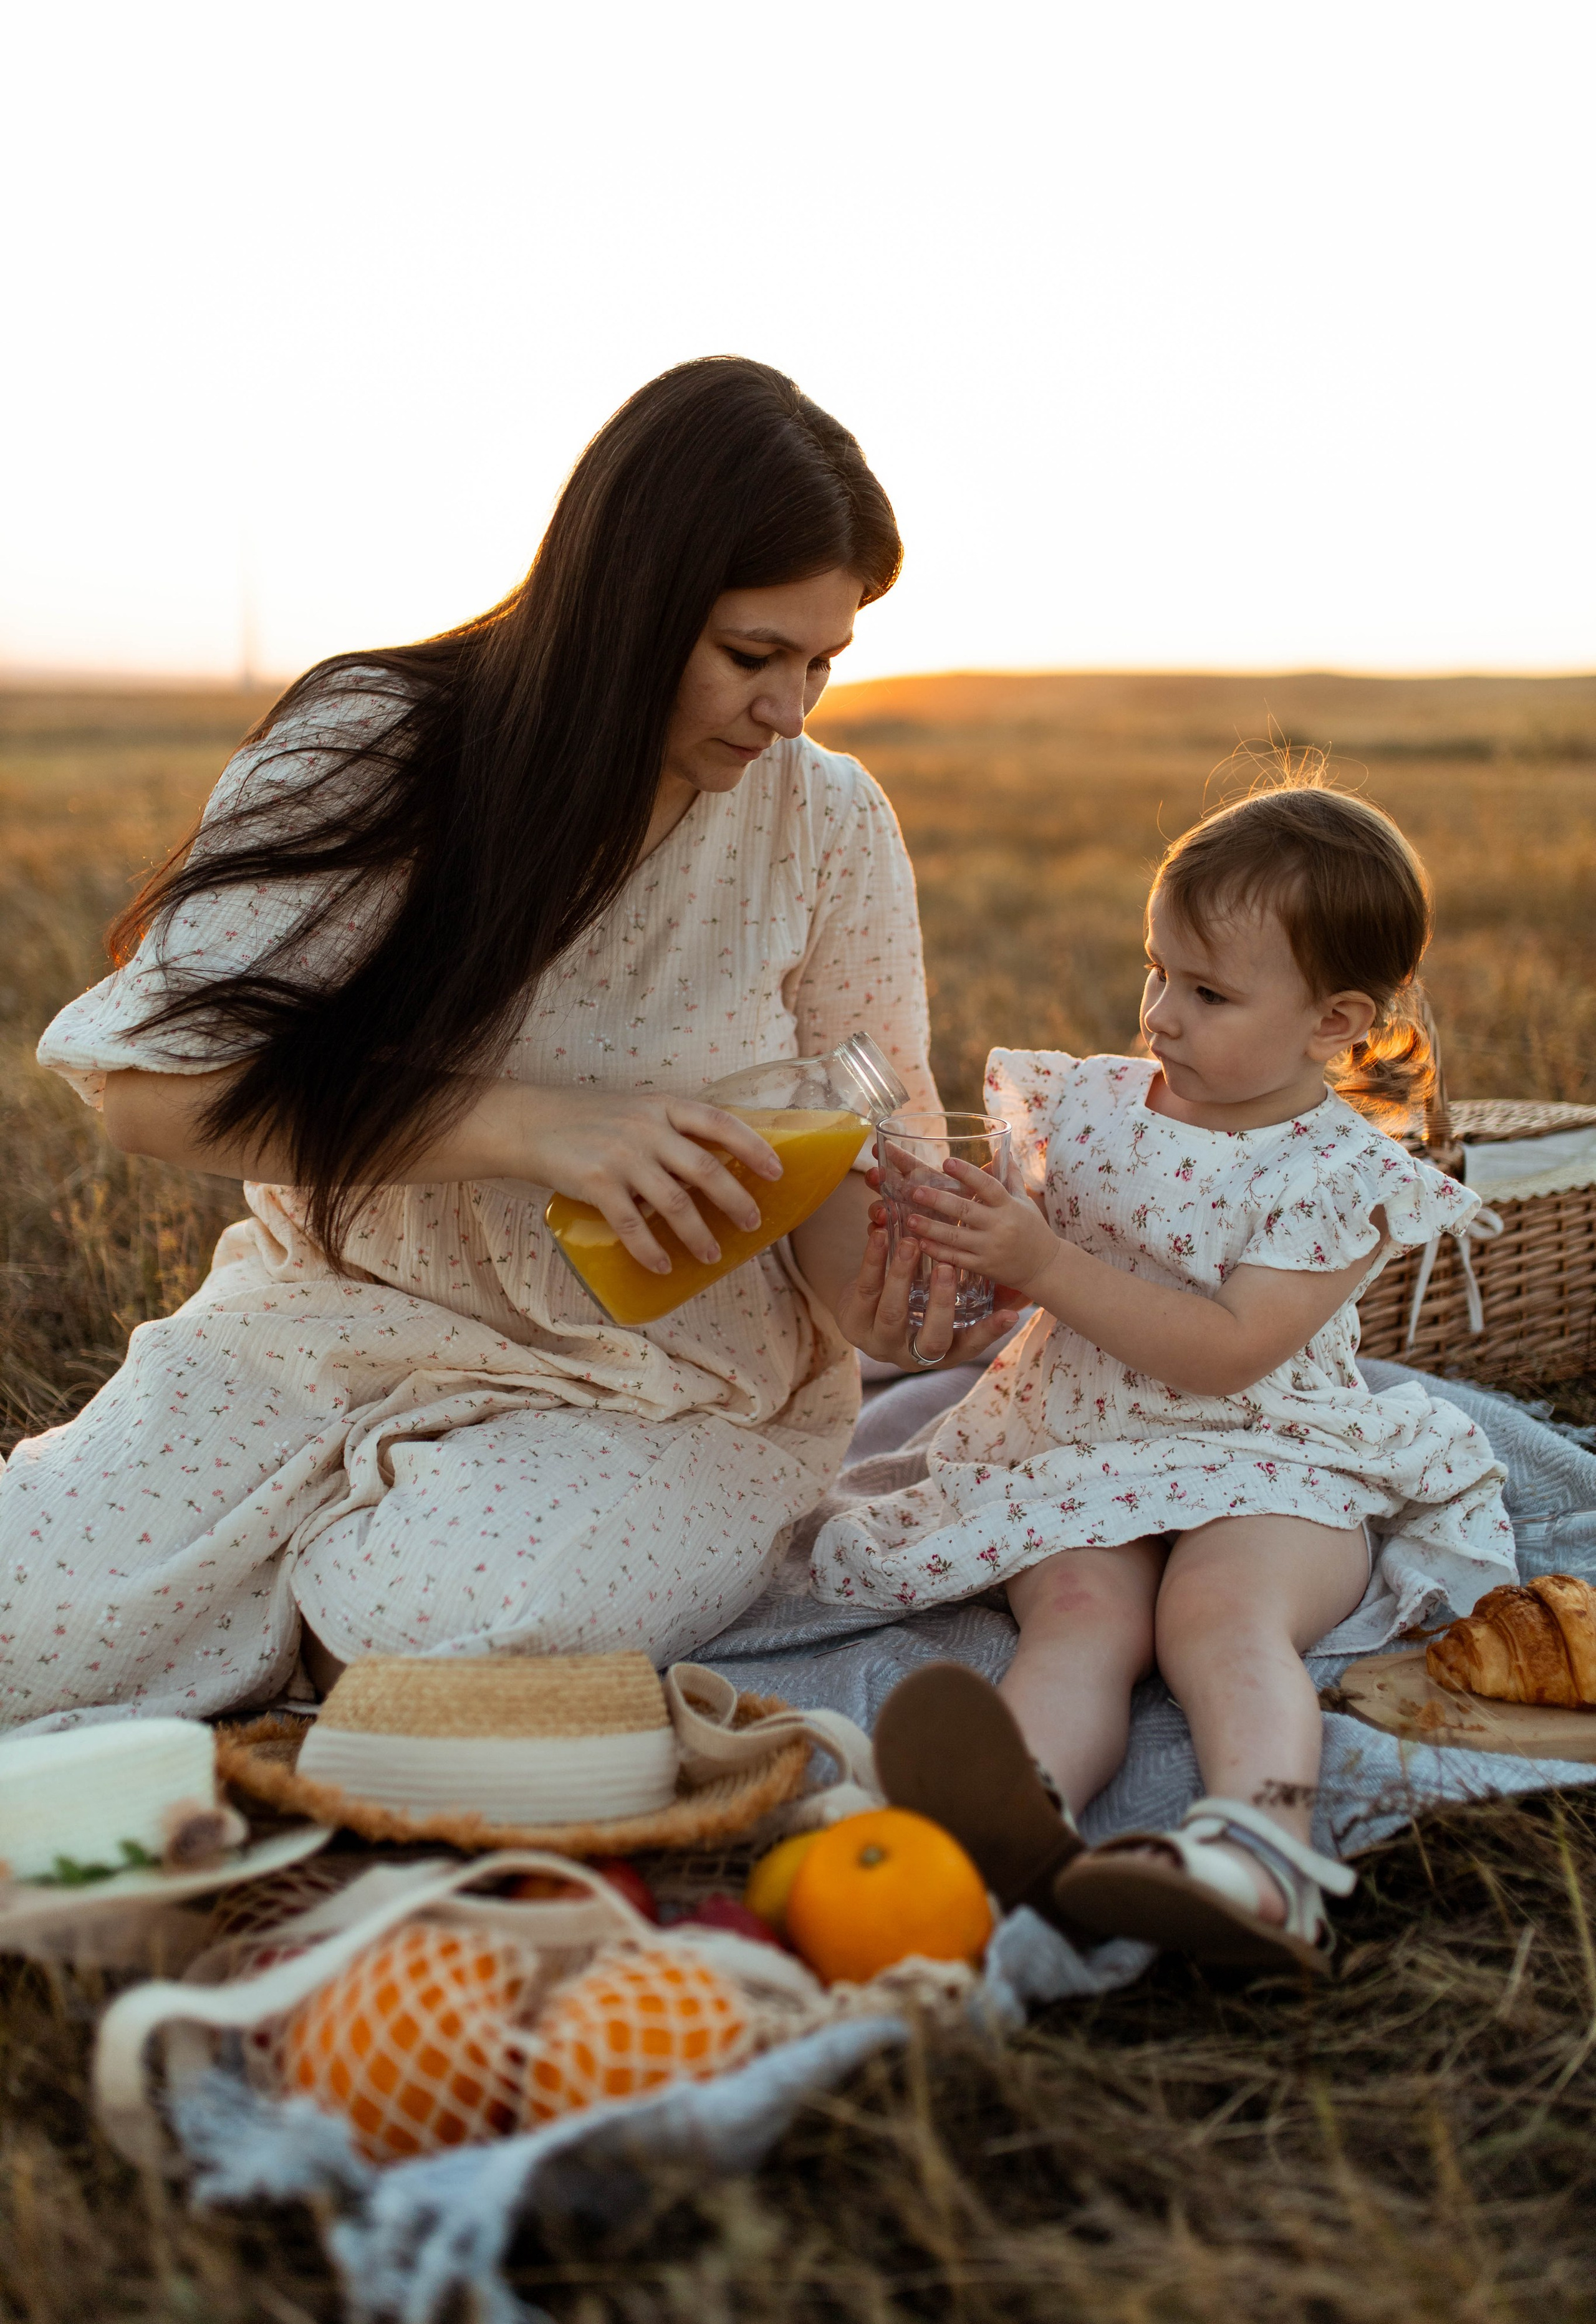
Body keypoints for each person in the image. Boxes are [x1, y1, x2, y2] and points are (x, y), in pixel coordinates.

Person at [0, 357, 1017, 1734]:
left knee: (457, 1628)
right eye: (752, 657)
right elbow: (147, 1093)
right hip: (321, 1328)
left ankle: (311, 1635)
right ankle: (288, 1633)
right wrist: (536, 1128)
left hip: (670, 1391)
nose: (791, 711)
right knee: (20, 1623)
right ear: (626, 605)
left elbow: (851, 1186)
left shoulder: (826, 822)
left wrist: (894, 1303)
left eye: (823, 663)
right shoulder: (372, 745)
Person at [815, 776, 1515, 1969]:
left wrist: (1044, 1258)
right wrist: (971, 1245)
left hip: (1271, 1452)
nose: (1161, 1014)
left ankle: (1260, 1850)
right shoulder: (1089, 1109)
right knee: (1084, 1616)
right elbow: (1023, 1280)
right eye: (1156, 970)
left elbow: (1229, 1349)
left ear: (1335, 1022)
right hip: (1082, 1435)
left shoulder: (1338, 1173)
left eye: (1208, 991)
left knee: (1219, 1616)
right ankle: (1000, 1833)